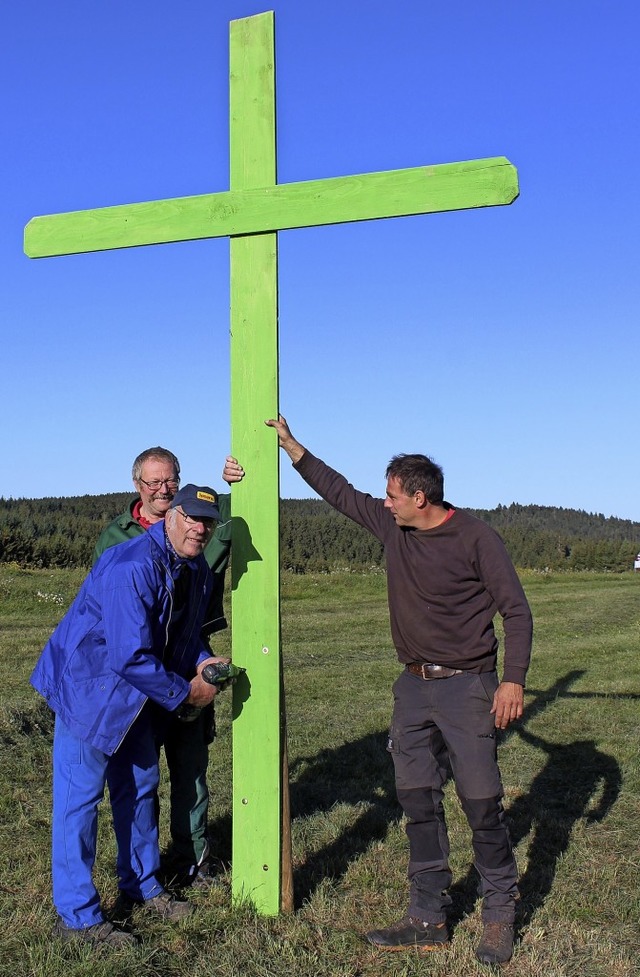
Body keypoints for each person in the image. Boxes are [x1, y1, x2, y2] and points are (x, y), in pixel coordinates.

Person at [265, 416, 533, 966]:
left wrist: (512, 680)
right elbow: (340, 493)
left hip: (469, 687)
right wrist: (294, 449)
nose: (383, 504)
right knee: (417, 800)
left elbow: (517, 612)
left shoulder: (477, 538)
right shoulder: (394, 529)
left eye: (392, 496)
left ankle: (500, 912)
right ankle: (427, 915)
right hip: (413, 688)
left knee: (481, 804)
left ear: (419, 495)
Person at [31, 485, 228, 947]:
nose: (200, 529)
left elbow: (181, 635)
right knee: (79, 802)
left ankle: (142, 885)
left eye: (209, 522)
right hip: (89, 689)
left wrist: (200, 660)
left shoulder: (195, 567)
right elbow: (129, 655)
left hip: (136, 695)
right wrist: (186, 694)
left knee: (140, 787)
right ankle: (77, 918)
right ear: (170, 516)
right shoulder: (132, 566)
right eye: (192, 518)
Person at [93, 447, 243, 886]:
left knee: (191, 766)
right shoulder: (115, 538)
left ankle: (191, 859)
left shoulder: (198, 520)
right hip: (137, 673)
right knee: (140, 775)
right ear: (137, 486)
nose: (162, 489)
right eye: (152, 482)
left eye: (170, 480)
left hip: (190, 659)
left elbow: (233, 515)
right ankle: (144, 871)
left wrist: (236, 482)